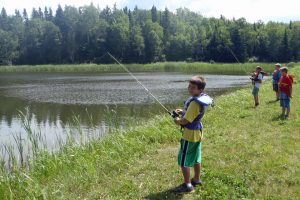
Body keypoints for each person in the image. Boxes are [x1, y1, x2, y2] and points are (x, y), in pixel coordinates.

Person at [172, 76, 213, 194]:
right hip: (198, 132)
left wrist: (177, 120)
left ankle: (187, 186)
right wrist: (182, 112)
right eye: (189, 86)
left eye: (193, 88)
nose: (190, 89)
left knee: (184, 160)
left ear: (201, 90)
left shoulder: (195, 103)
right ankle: (196, 179)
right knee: (196, 157)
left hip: (190, 135)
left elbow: (185, 121)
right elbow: (192, 114)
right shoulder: (198, 99)